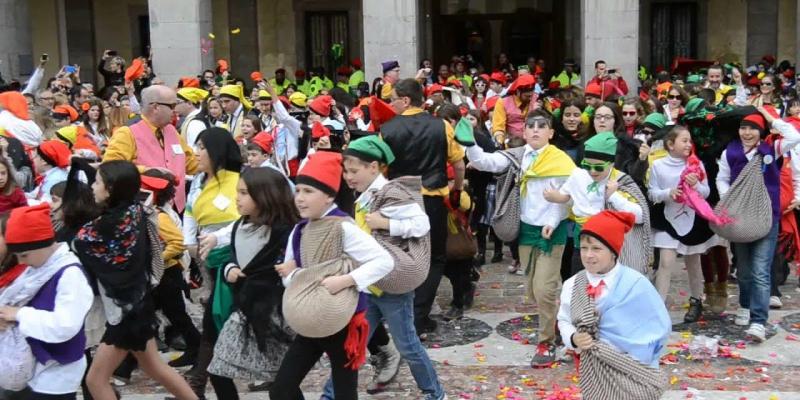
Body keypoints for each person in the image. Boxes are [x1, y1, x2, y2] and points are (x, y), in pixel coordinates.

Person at [318, 134, 445, 400]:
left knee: (407, 345)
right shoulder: (366, 195)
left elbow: (422, 224)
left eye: (354, 170)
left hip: (391, 284)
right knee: (353, 344)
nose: (348, 176)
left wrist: (387, 224)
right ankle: (330, 395)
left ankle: (435, 393)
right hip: (371, 283)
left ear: (373, 167)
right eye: (346, 171)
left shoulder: (391, 192)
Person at [270, 151, 394, 400]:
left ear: (328, 196)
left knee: (344, 394)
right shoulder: (300, 229)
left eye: (308, 192)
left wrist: (346, 280)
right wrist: (298, 274)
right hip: (310, 321)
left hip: (343, 322)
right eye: (298, 191)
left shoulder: (343, 227)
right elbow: (288, 276)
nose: (300, 199)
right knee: (281, 389)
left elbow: (384, 261)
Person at [71, 161, 197, 400]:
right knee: (156, 368)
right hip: (139, 306)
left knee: (95, 381)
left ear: (110, 188)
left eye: (96, 182)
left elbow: (79, 242)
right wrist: (87, 167)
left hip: (125, 315)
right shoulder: (135, 212)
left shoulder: (100, 229)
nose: (92, 187)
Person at [463, 110, 575, 367]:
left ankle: (546, 342)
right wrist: (469, 142)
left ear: (551, 133)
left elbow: (568, 195)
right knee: (533, 291)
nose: (535, 130)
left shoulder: (561, 161)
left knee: (545, 290)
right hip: (525, 231)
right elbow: (485, 162)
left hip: (551, 231)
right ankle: (558, 323)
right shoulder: (517, 157)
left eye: (541, 126)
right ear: (523, 132)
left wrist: (553, 220)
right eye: (530, 126)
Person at [380, 78, 465, 335]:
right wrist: (457, 188)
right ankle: (419, 315)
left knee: (401, 255)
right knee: (434, 257)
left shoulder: (387, 129)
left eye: (393, 99)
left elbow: (382, 170)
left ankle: (401, 313)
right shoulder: (441, 126)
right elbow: (459, 164)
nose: (390, 104)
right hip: (431, 198)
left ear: (405, 100)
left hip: (399, 200)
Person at [557, 210, 671, 400]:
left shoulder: (636, 284)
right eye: (584, 248)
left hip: (632, 366)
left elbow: (658, 325)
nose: (588, 255)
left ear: (613, 250)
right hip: (593, 367)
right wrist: (574, 337)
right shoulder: (573, 284)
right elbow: (563, 319)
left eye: (596, 248)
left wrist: (636, 353)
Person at [205, 167, 297, 399]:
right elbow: (231, 256)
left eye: (244, 193)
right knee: (218, 367)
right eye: (238, 192)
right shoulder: (239, 226)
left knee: (282, 382)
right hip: (245, 310)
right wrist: (229, 268)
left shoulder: (284, 232)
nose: (237, 198)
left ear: (266, 195)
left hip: (277, 315)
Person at [716, 108, 800, 342]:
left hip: (766, 218)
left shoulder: (771, 149)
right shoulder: (730, 152)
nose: (747, 132)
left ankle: (758, 321)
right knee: (743, 270)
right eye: (743, 127)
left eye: (752, 127)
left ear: (761, 131)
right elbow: (722, 178)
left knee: (761, 271)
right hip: (739, 219)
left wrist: (771, 117)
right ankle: (744, 305)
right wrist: (729, 199)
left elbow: (794, 137)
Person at [0, 204, 93, 399]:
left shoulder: (70, 274)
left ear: (42, 244)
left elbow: (65, 325)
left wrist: (19, 314)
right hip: (33, 367)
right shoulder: (40, 267)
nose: (21, 262)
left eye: (24, 255)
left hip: (58, 372)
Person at [182, 127, 243, 397]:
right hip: (207, 259)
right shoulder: (199, 181)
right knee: (214, 322)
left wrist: (217, 238)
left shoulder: (240, 181)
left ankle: (197, 382)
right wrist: (190, 243)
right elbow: (191, 211)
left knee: (215, 322)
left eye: (203, 147)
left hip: (233, 261)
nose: (197, 153)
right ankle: (201, 382)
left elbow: (244, 222)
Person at [543, 131, 647, 275]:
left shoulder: (620, 180)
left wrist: (614, 196)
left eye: (598, 167)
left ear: (611, 163)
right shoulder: (577, 175)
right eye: (587, 165)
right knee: (579, 279)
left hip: (608, 243)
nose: (592, 171)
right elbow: (565, 199)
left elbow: (641, 216)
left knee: (605, 285)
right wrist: (551, 222)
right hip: (582, 240)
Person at [649, 125, 721, 323]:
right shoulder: (658, 165)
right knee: (665, 261)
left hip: (693, 218)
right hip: (667, 217)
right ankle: (658, 306)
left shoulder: (696, 165)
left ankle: (696, 300)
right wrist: (668, 193)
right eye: (684, 140)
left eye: (690, 141)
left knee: (693, 261)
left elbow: (706, 192)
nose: (689, 145)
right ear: (670, 144)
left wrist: (696, 185)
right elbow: (652, 192)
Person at [103, 85, 198, 212]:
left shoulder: (171, 130)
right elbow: (110, 168)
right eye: (172, 106)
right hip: (145, 210)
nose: (175, 111)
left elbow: (191, 163)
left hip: (176, 208)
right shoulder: (127, 132)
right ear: (155, 107)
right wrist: (147, 171)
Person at [141, 169, 201, 369]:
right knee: (161, 315)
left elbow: (177, 242)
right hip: (163, 274)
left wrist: (155, 259)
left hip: (168, 274)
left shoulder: (160, 217)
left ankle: (197, 348)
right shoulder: (151, 213)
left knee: (175, 315)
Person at [492, 74, 537, 147]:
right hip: (511, 145)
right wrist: (500, 141)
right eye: (527, 96)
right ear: (518, 92)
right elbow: (498, 127)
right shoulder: (503, 102)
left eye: (531, 95)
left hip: (533, 144)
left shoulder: (536, 98)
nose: (530, 98)